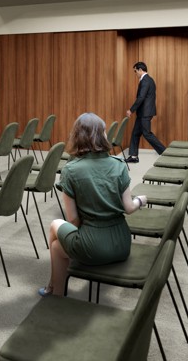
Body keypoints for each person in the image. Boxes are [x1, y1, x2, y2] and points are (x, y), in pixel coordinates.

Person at [39, 112, 147, 297]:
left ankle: (55, 291)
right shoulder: (119, 165)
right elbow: (129, 208)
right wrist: (140, 200)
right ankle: (54, 287)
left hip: (93, 248)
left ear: (77, 136)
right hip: (122, 243)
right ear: (102, 135)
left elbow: (74, 221)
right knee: (57, 247)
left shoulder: (71, 170)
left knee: (55, 227)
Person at [125, 61, 165, 163]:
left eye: (135, 71)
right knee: (135, 133)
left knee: (147, 134)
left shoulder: (145, 81)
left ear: (140, 70)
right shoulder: (149, 80)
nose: (135, 74)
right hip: (143, 112)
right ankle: (134, 156)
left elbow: (141, 97)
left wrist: (131, 110)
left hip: (145, 113)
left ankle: (165, 153)